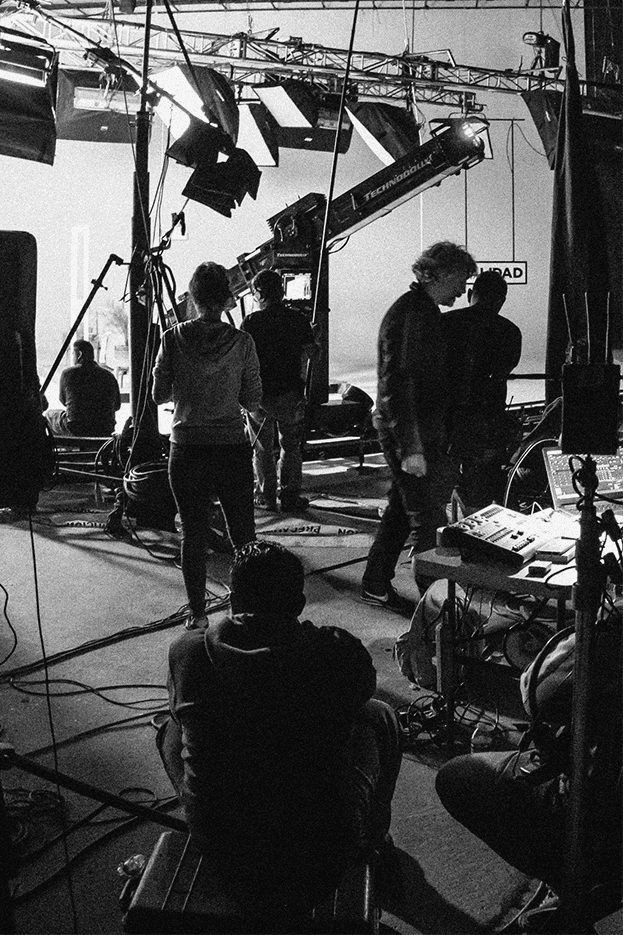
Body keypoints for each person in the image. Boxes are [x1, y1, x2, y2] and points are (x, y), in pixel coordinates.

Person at [157, 539, 402, 925]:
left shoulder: (187, 651)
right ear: (300, 605)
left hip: (223, 849)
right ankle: (372, 837)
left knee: (172, 729)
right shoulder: (335, 651)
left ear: (232, 599)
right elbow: (361, 693)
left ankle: (202, 811)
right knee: (380, 715)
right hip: (322, 855)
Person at [435, 608, 622, 931]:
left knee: (456, 777)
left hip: (600, 817)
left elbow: (538, 691)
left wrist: (604, 624)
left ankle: (572, 882)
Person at [361, 240, 477, 607]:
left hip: (412, 431)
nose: (463, 289)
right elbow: (399, 383)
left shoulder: (419, 310)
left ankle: (374, 584)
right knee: (428, 520)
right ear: (440, 274)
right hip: (408, 435)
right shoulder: (413, 315)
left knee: (402, 509)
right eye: (461, 280)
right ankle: (437, 610)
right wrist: (411, 448)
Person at [152, 262, 262, 630]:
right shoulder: (242, 342)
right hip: (231, 447)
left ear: (193, 297)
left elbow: (158, 395)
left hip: (187, 448)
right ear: (227, 298)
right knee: (243, 534)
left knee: (193, 534)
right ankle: (244, 613)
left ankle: (197, 615)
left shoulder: (172, 338)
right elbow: (252, 399)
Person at [444, 270, 523, 511]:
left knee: (437, 495)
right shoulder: (510, 332)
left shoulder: (445, 323)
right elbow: (503, 370)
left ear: (470, 293)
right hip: (489, 426)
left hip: (446, 425)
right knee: (482, 495)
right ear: (502, 301)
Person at [242, 268, 317, 513]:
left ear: (258, 293)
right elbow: (313, 353)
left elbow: (242, 358)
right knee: (291, 447)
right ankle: (290, 496)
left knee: (262, 449)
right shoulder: (298, 320)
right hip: (290, 395)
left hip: (259, 397)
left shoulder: (251, 322)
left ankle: (266, 497)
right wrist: (312, 335)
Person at [50, 339, 120, 440]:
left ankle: (59, 446)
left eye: (73, 354)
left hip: (76, 427)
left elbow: (63, 400)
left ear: (79, 354)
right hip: (105, 427)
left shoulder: (67, 374)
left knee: (49, 415)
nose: (72, 357)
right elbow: (117, 406)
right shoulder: (109, 376)